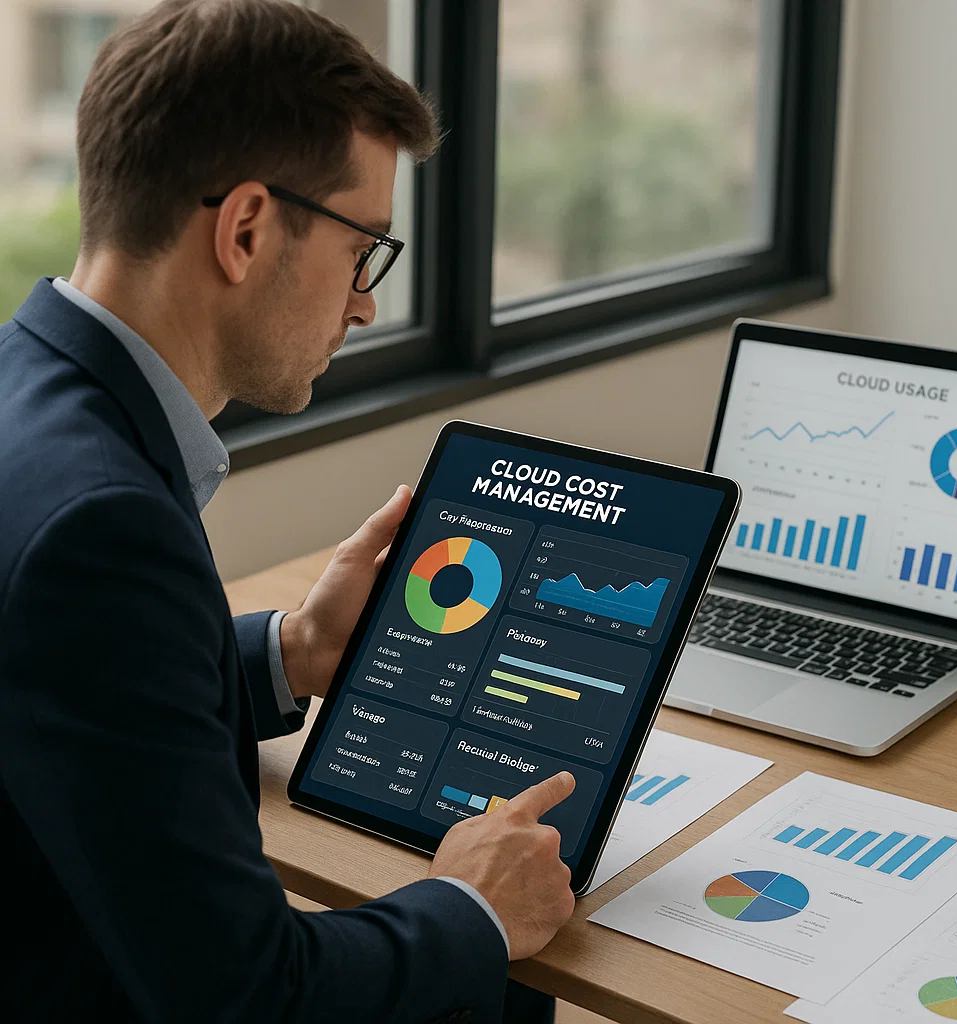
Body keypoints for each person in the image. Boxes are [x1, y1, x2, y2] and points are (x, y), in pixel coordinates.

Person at [0, 1, 577, 1021]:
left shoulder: (25, 389)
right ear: (246, 230)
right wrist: (473, 904)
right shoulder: (103, 528)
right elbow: (250, 997)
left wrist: (295, 650)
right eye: (364, 251)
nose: (365, 303)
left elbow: (62, 683)